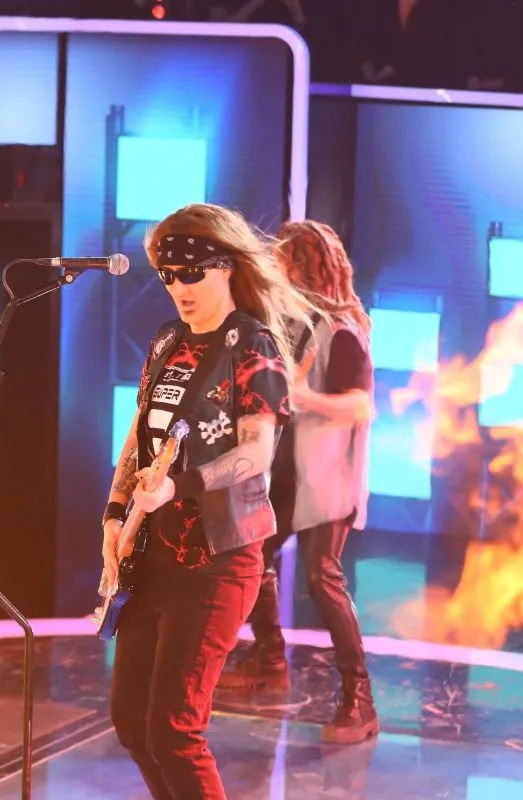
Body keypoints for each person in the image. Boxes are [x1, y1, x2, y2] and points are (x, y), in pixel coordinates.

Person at [101, 203, 313, 798]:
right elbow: (139, 434)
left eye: (192, 272)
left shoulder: (253, 345)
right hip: (154, 556)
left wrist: (180, 485)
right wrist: (115, 514)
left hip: (218, 559)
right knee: (132, 723)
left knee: (174, 730)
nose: (179, 287)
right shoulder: (167, 340)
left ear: (226, 266)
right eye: (168, 275)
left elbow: (257, 452)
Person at [216, 219, 378, 746]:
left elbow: (360, 404)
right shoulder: (293, 325)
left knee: (321, 578)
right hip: (287, 474)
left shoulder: (341, 330)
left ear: (303, 267)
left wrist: (303, 397)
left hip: (327, 479)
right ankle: (269, 660)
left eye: (283, 262)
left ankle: (359, 699)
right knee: (252, 557)